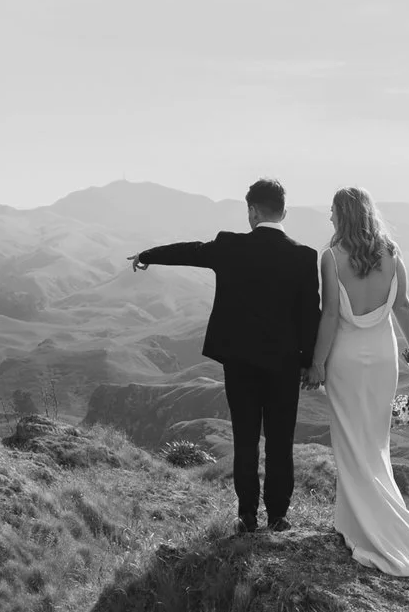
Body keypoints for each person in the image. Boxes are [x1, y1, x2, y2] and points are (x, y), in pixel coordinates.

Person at [131, 178, 320, 533]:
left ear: (252, 211)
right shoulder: (303, 256)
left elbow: (189, 252)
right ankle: (278, 516)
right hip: (283, 366)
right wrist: (308, 362)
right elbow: (312, 314)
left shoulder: (229, 246)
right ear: (284, 211)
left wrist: (148, 256)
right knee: (281, 442)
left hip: (241, 364)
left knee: (245, 438)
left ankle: (247, 515)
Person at [306, 187, 409, 581]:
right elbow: (403, 305)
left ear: (342, 215)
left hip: (346, 360)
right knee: (374, 441)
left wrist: (317, 364)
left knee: (351, 441)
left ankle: (362, 527)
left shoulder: (331, 258)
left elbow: (329, 316)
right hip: (384, 359)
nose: (331, 219)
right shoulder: (391, 252)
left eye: (333, 212)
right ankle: (356, 521)